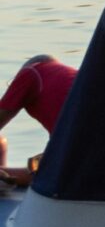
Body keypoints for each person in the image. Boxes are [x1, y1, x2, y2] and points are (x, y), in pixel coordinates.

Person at [0, 54, 75, 186]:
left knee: (47, 174)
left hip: (77, 142)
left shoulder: (32, 72)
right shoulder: (74, 78)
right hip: (102, 143)